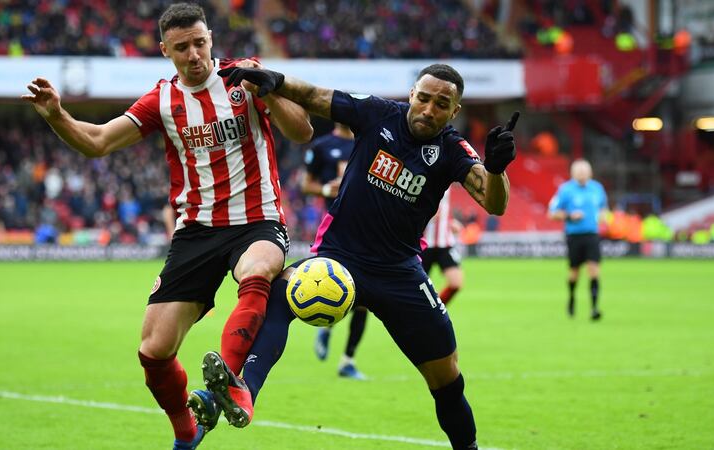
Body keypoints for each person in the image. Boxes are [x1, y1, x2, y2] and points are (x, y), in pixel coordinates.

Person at [21, 4, 313, 449]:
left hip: (258, 219)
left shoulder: (245, 77)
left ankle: (230, 382)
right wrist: (57, 115)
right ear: (164, 50)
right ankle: (186, 434)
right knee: (153, 350)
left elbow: (302, 131)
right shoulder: (161, 101)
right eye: (182, 47)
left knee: (257, 272)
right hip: (196, 230)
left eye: (200, 43)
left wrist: (270, 92)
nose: (194, 54)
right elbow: (97, 142)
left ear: (210, 39)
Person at [191, 63, 519, 449]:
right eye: (424, 98)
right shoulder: (378, 113)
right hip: (338, 259)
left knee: (447, 380)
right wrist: (276, 81)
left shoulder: (452, 148)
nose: (429, 109)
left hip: (400, 273)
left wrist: (496, 169)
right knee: (277, 294)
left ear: (454, 111)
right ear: (412, 94)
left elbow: (494, 203)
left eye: (441, 104)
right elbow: (315, 96)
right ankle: (244, 391)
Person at [301, 122, 368, 379]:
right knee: (338, 284)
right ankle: (326, 323)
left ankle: (347, 360)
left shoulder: (367, 140)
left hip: (367, 227)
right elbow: (306, 184)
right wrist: (326, 189)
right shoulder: (322, 146)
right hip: (336, 230)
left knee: (365, 300)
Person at [548, 159, 608, 321]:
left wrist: (603, 217)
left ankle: (594, 308)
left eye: (584, 171)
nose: (582, 174)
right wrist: (569, 216)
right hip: (574, 236)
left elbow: (603, 208)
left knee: (594, 270)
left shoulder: (597, 188)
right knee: (574, 272)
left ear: (590, 173)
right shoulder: (565, 190)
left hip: (592, 235)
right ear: (573, 173)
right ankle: (572, 297)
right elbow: (552, 213)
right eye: (578, 171)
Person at [422, 187, 466, 305]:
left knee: (456, 283)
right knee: (414, 287)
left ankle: (436, 310)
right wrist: (426, 215)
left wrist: (450, 221)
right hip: (424, 244)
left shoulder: (448, 183)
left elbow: (445, 207)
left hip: (445, 242)